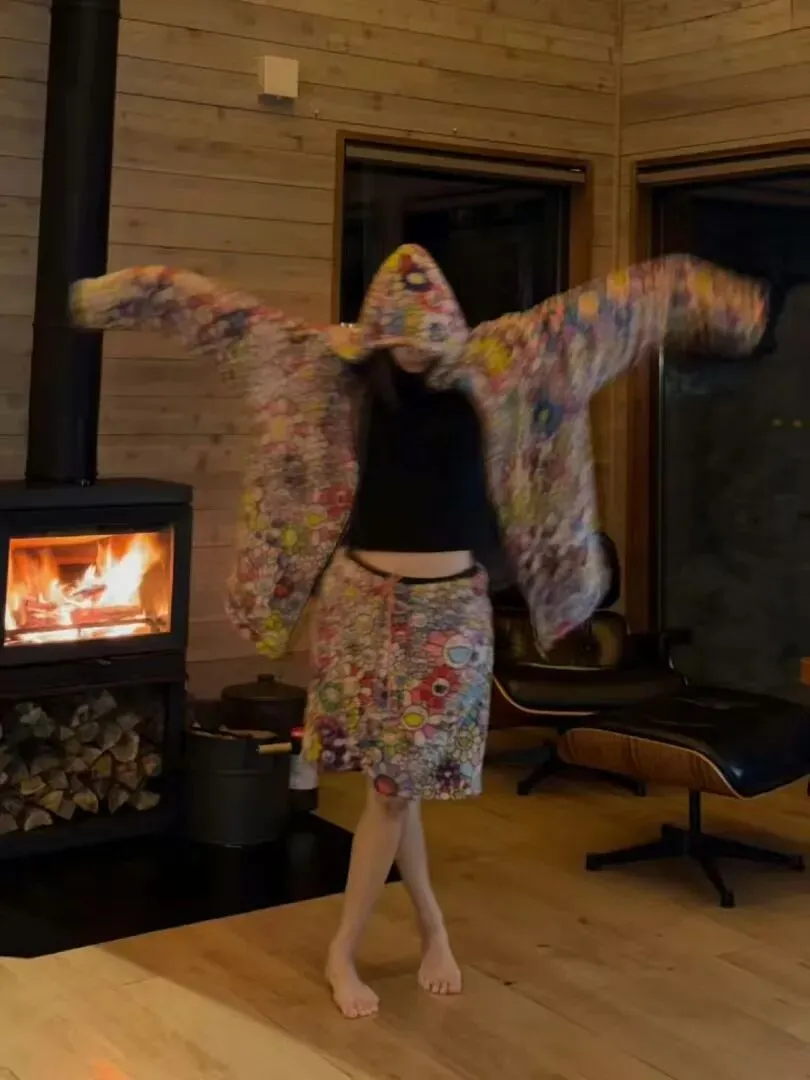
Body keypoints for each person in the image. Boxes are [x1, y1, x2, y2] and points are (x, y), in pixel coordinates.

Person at [71, 245, 767, 1018]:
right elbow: (221, 317)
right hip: (358, 606)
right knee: (391, 787)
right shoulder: (335, 371)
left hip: (447, 614)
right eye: (394, 335)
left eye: (422, 335)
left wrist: (725, 302)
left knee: (395, 790)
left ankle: (356, 945)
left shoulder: (505, 362)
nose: (408, 350)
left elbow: (624, 303)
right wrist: (121, 293)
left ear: (446, 324)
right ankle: (418, 933)